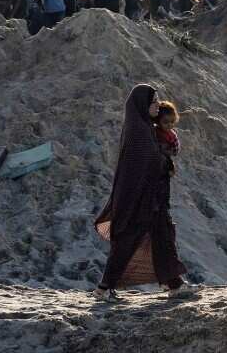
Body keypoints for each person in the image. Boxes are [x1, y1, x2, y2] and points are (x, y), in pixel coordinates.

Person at [93, 84, 194, 302]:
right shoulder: (138, 130)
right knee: (127, 241)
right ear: (142, 104)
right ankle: (104, 288)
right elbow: (146, 161)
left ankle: (174, 283)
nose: (158, 105)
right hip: (138, 198)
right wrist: (164, 161)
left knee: (163, 237)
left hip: (153, 197)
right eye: (154, 102)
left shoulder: (147, 127)